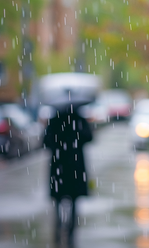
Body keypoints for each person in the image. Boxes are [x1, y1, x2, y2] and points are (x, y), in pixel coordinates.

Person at [43, 103, 93, 247]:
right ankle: (70, 228)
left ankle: (59, 224)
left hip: (59, 165)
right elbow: (89, 137)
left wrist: (57, 144)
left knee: (59, 197)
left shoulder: (54, 120)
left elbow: (45, 141)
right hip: (75, 165)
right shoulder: (79, 119)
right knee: (74, 198)